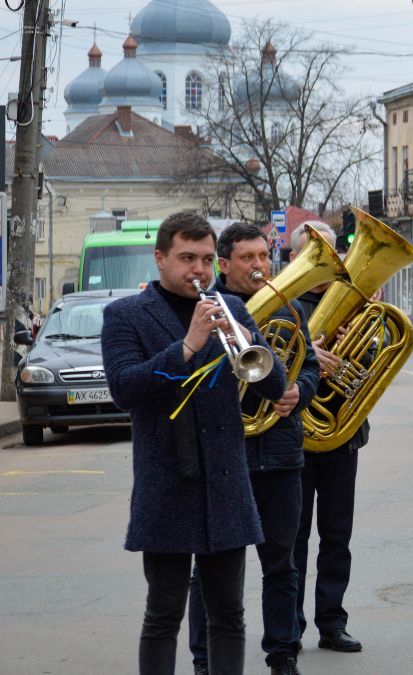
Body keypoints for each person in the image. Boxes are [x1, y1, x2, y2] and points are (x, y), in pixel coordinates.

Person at [100, 212, 287, 675]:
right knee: (163, 615)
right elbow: (127, 389)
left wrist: (244, 338)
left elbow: (274, 385)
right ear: (160, 258)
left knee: (228, 615)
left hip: (225, 483)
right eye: (186, 258)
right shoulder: (125, 316)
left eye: (206, 259)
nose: (198, 270)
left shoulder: (234, 308)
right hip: (167, 484)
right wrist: (186, 347)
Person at [187, 224, 320, 675]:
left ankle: (283, 655)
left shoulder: (290, 307)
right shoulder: (203, 310)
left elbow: (311, 363)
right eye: (248, 258)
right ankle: (205, 659)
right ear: (224, 264)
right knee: (210, 567)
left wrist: (298, 390)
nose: (260, 265)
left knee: (282, 565)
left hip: (281, 453)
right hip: (226, 458)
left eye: (264, 255)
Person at [289, 221, 369, 655]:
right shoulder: (283, 305)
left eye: (331, 253)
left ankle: (332, 622)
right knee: (294, 538)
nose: (326, 262)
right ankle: (292, 626)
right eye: (314, 253)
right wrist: (308, 356)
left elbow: (373, 363)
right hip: (295, 438)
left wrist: (356, 347)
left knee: (337, 536)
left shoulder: (357, 304)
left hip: (342, 433)